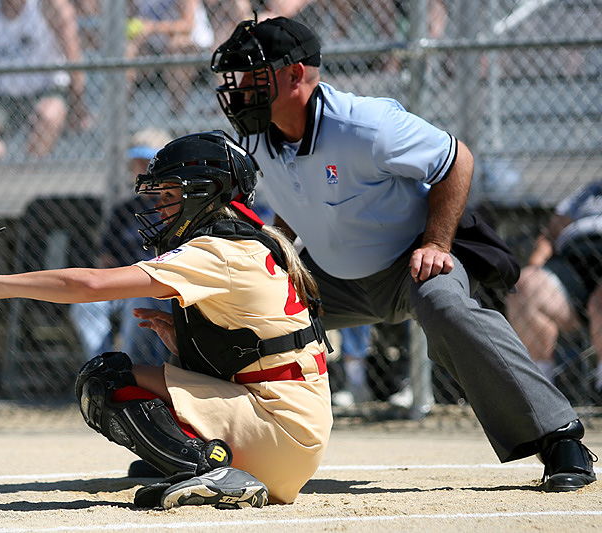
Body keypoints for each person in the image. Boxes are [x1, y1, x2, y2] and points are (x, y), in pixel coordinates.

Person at [210, 16, 597, 492]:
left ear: (295, 76)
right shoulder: (255, 136)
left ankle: (560, 439)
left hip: (410, 263)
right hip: (331, 278)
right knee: (227, 314)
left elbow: (457, 159)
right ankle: (196, 448)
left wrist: (436, 242)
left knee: (446, 306)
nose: (240, 89)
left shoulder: (363, 125)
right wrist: (280, 246)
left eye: (253, 75)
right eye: (237, 77)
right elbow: (301, 195)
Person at [0, 130, 332, 509]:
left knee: (105, 379)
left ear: (207, 193)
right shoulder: (246, 241)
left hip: (278, 432)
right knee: (155, 366)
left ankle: (209, 468)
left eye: (170, 195)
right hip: (290, 429)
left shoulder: (218, 250)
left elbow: (92, 284)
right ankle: (198, 459)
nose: (158, 207)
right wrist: (193, 345)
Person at [70, 127, 174, 365]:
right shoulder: (125, 211)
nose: (141, 169)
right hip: (123, 282)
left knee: (139, 304)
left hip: (158, 286)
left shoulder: (177, 209)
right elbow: (106, 260)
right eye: (137, 163)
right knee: (86, 304)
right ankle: (103, 369)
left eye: (148, 163)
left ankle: (135, 376)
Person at [0, 0, 89, 160]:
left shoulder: (47, 4)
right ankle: (5, 169)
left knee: (50, 116)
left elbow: (73, 52)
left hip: (47, 89)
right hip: (3, 95)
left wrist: (78, 101)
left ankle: (33, 169)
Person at [507, 180, 602, 399]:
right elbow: (550, 235)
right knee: (526, 287)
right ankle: (538, 396)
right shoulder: (589, 192)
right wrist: (533, 270)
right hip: (572, 260)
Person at [126, 0, 214, 111]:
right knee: (128, 49)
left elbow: (188, 26)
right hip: (154, 43)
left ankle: (178, 109)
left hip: (191, 42)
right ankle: (124, 107)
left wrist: (153, 27)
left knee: (177, 45)